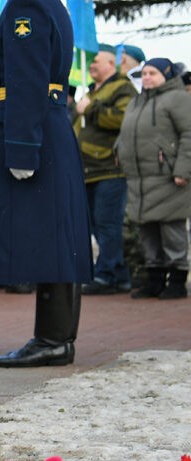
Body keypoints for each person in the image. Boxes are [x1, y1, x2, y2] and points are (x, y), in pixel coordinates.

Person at [0, 0, 92, 368]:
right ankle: (56, 336)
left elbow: (26, 82)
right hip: (47, 127)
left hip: (32, 131)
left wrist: (21, 147)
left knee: (49, 235)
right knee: (58, 233)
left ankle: (51, 339)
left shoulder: (25, 4)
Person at [116, 58, 191, 299]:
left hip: (168, 177)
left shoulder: (178, 99)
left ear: (167, 75)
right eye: (144, 73)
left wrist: (183, 170)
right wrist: (119, 150)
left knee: (171, 229)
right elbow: (127, 132)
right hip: (140, 177)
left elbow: (188, 136)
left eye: (153, 73)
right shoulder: (137, 101)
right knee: (147, 229)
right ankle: (155, 279)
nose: (146, 77)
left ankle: (177, 280)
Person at [74, 46, 137, 295]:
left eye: (96, 62)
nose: (91, 66)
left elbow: (122, 119)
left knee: (107, 223)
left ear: (111, 63)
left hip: (109, 168)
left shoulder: (122, 88)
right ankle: (120, 275)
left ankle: (106, 274)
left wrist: (89, 109)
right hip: (89, 168)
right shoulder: (92, 91)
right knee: (97, 225)